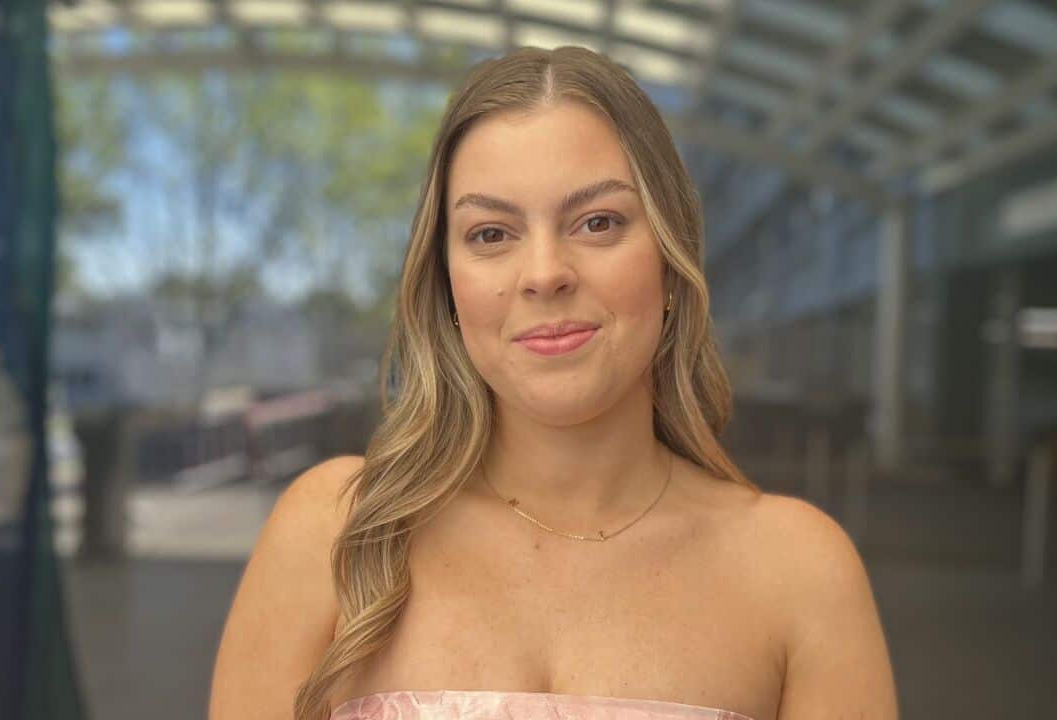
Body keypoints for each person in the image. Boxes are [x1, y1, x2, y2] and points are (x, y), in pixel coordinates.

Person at [209, 46, 897, 720]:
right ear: (446, 283)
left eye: (598, 222)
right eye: (490, 234)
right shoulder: (336, 531)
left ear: (669, 255)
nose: (544, 272)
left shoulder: (799, 571)